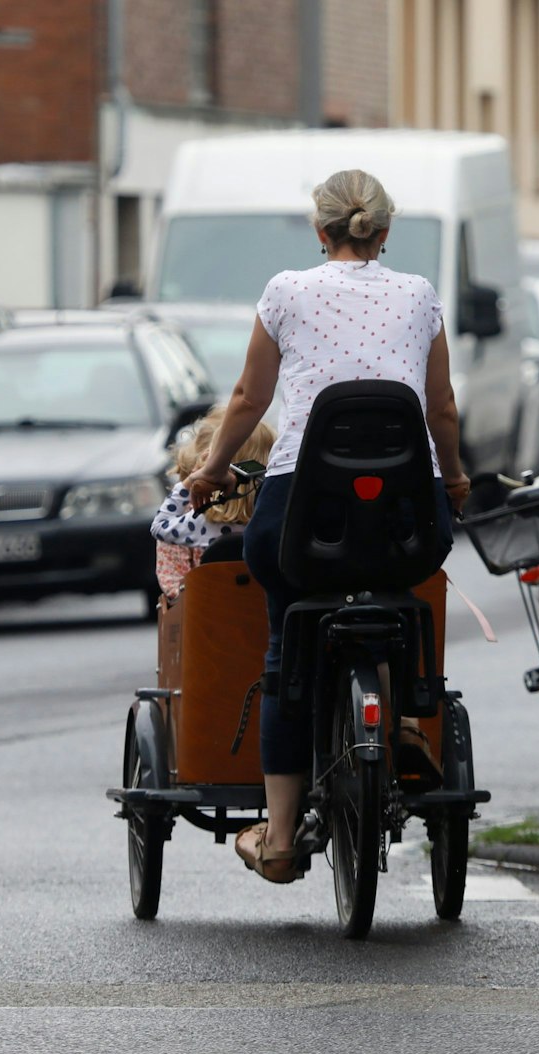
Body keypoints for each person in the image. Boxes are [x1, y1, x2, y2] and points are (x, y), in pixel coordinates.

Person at [181, 168, 470, 884]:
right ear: (386, 230)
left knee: (288, 634)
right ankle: (400, 717)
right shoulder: (419, 296)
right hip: (405, 515)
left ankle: (279, 837)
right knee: (396, 598)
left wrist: (212, 471)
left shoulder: (286, 291)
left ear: (321, 231)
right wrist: (455, 478)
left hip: (300, 517)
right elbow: (441, 409)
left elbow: (249, 398)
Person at [150, 405, 275, 600]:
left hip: (207, 615)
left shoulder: (197, 520)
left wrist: (187, 484)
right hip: (264, 614)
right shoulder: (275, 517)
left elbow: (160, 529)